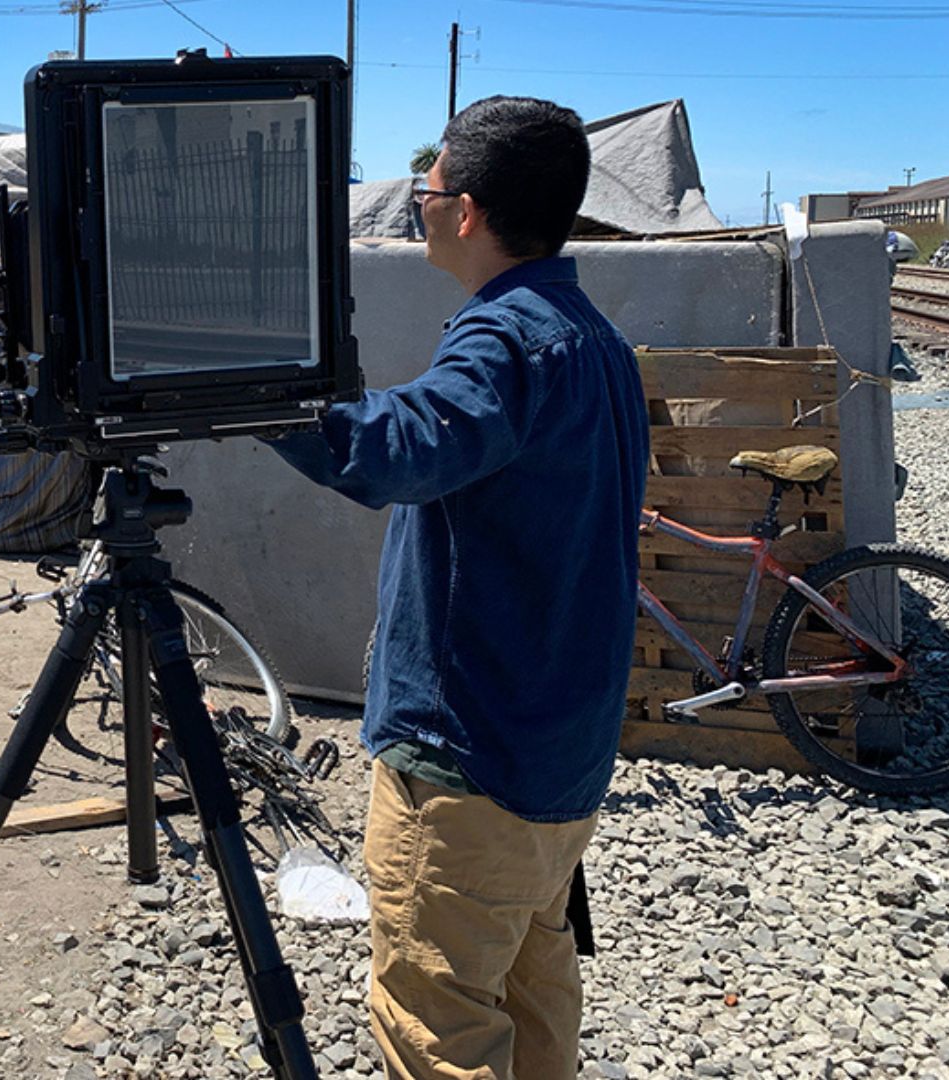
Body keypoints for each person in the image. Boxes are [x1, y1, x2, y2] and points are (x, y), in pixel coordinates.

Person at [268, 96, 650, 1078]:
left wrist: (251, 390)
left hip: (468, 765)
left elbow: (392, 449)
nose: (419, 207)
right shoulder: (590, 339)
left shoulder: (506, 342)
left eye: (428, 191)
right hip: (559, 757)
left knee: (436, 1024)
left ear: (466, 211)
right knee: (532, 1006)